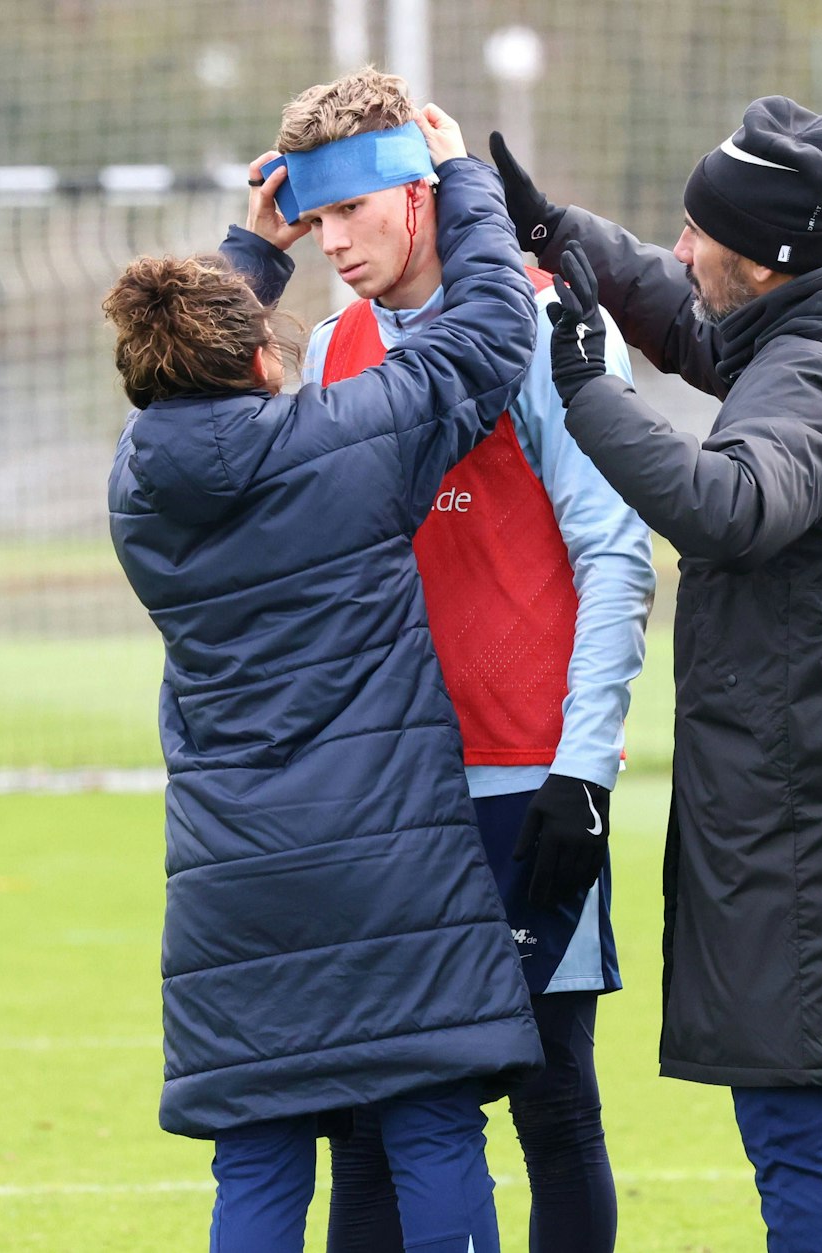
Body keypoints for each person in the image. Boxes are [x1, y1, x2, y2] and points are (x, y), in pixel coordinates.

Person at [488, 95, 822, 1252]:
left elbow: (730, 503)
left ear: (764, 260)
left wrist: (590, 387)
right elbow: (701, 326)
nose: (683, 246)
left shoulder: (811, 377)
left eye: (702, 232)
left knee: (808, 1159)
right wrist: (564, 236)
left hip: (804, 840)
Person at [104, 106, 543, 1253]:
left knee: (255, 1153)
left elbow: (174, 382)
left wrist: (247, 252)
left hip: (232, 877)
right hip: (390, 856)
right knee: (433, 1126)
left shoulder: (136, 491)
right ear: (261, 356)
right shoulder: (342, 446)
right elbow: (490, 332)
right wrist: (457, 178)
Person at [262, 68, 654, 1253]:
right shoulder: (331, 347)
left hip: (526, 781)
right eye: (311, 218)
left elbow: (614, 554)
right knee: (374, 1120)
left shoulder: (543, 327)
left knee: (551, 1103)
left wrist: (584, 768)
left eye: (351, 213)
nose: (331, 242)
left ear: (421, 196)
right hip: (381, 803)